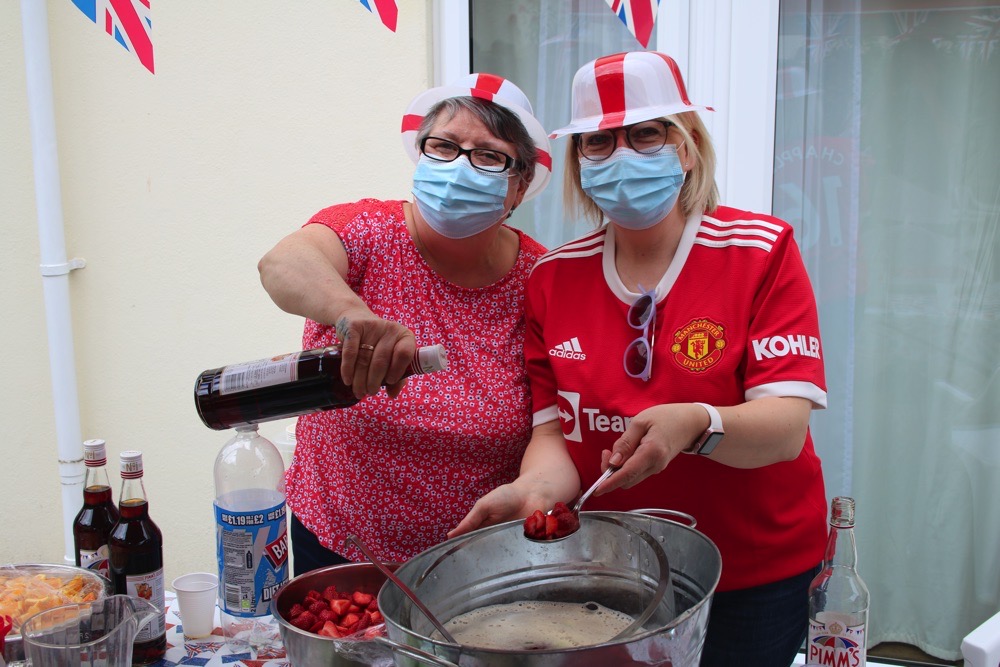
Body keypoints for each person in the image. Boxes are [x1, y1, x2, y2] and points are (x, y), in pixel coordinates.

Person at [451, 51, 828, 666]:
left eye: (645, 133)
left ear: (687, 147)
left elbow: (785, 429)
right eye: (598, 142)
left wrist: (696, 424)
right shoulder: (553, 278)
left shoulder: (760, 252)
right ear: (579, 163)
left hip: (755, 573)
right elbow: (555, 434)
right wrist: (532, 492)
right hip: (617, 571)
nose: (621, 154)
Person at [257, 73, 552, 573]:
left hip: (479, 563)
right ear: (421, 155)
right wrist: (353, 314)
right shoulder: (368, 231)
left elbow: (553, 425)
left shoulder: (540, 279)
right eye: (444, 146)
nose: (460, 167)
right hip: (339, 546)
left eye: (489, 156)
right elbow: (281, 264)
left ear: (519, 186)